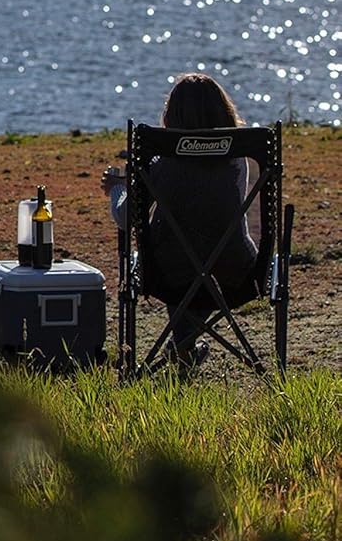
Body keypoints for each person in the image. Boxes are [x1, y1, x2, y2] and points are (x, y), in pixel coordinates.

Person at [101, 72, 258, 372]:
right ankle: (184, 352)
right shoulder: (237, 157)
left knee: (177, 249)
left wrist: (119, 189)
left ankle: (183, 350)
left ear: (171, 114)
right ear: (224, 109)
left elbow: (125, 218)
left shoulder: (162, 162)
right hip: (236, 270)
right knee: (199, 253)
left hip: (169, 274)